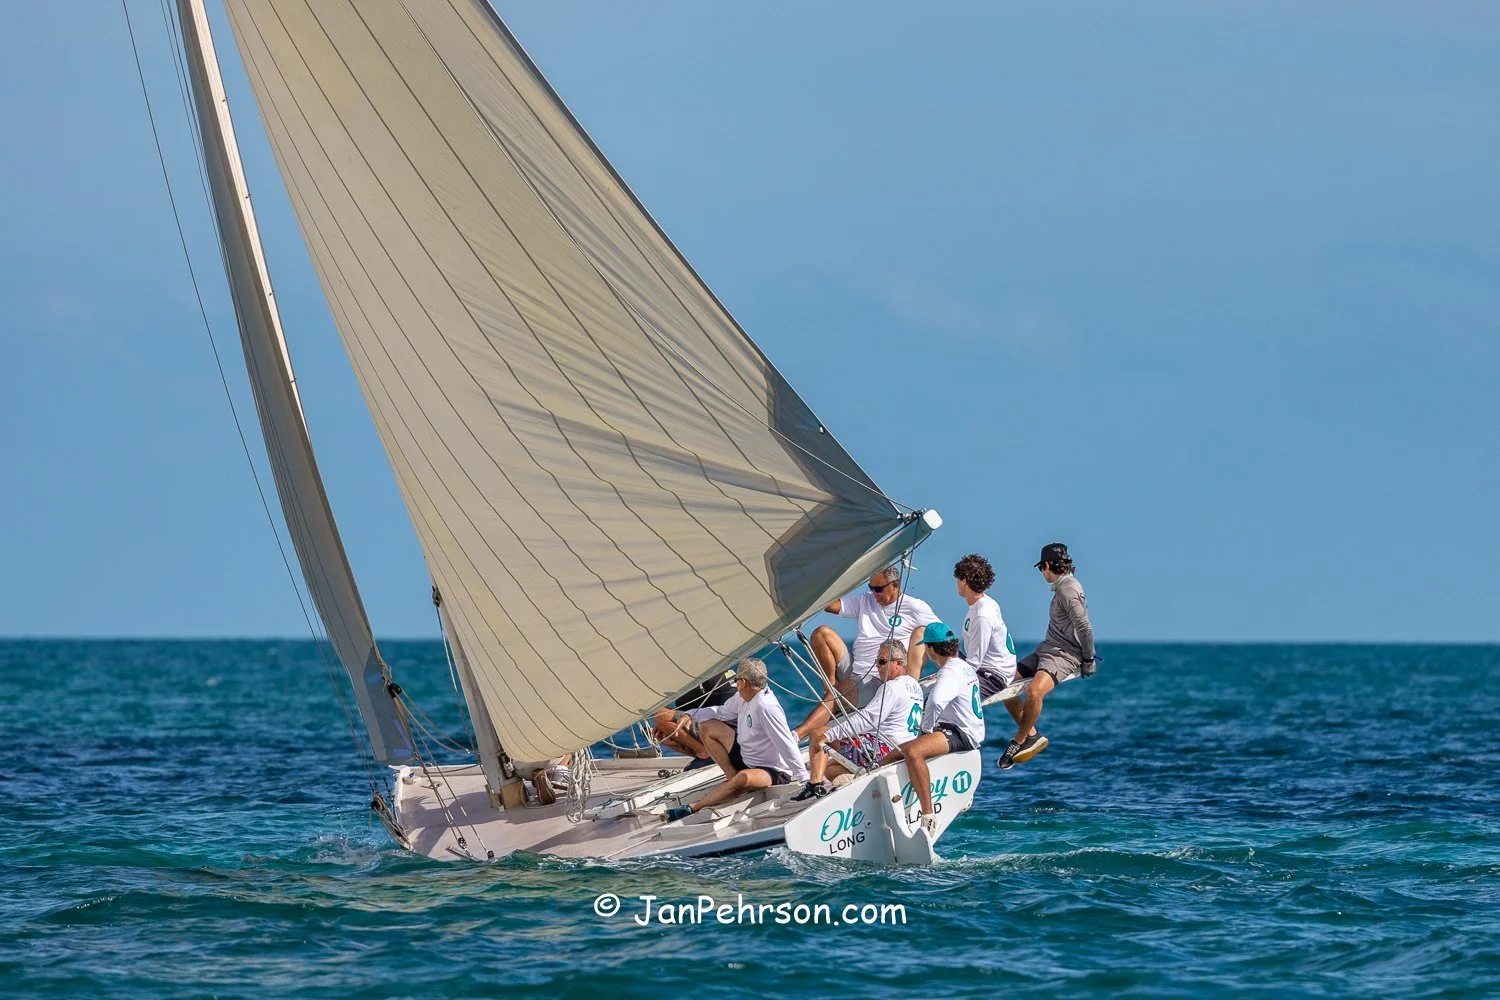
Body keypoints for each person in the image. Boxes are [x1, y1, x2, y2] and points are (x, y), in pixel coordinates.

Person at [794, 563, 938, 739]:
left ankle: (796, 735)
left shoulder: (915, 607)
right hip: (855, 671)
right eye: (871, 588)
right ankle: (831, 690)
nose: (874, 593)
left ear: (895, 585)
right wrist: (840, 576)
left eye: (878, 589)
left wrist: (950, 666)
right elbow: (829, 605)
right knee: (821, 633)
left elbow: (941, 634)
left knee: (922, 632)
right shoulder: (865, 600)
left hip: (880, 678)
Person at [661, 658, 808, 821]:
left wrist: (804, 779)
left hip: (771, 770)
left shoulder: (766, 707)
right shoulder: (742, 697)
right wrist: (691, 714)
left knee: (744, 778)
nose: (735, 684)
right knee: (707, 726)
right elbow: (721, 712)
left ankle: (693, 807)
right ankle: (731, 777)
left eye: (736, 680)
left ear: (743, 682)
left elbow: (786, 742)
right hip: (746, 757)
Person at [999, 542, 1096, 770]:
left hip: (1064, 654)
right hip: (1047, 648)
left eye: (1041, 567)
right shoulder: (1063, 586)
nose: (1041, 572)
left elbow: (1084, 626)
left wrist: (1089, 658)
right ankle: (1031, 734)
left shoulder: (1068, 589)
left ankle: (1019, 740)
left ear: (1050, 565)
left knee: (1034, 691)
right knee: (1003, 682)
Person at [792, 639, 924, 800]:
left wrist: (830, 735)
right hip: (898, 749)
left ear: (898, 663)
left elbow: (868, 719)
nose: (878, 667)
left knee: (819, 733)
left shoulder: (891, 687)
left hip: (881, 751)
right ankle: (857, 785)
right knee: (830, 768)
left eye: (882, 662)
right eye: (877, 662)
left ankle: (813, 787)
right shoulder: (914, 686)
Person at [885, 621, 983, 837]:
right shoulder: (964, 666)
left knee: (913, 751)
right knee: (898, 752)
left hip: (960, 734)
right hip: (967, 732)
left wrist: (926, 729)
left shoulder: (950, 672)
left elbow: (937, 700)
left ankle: (928, 816)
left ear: (930, 649)